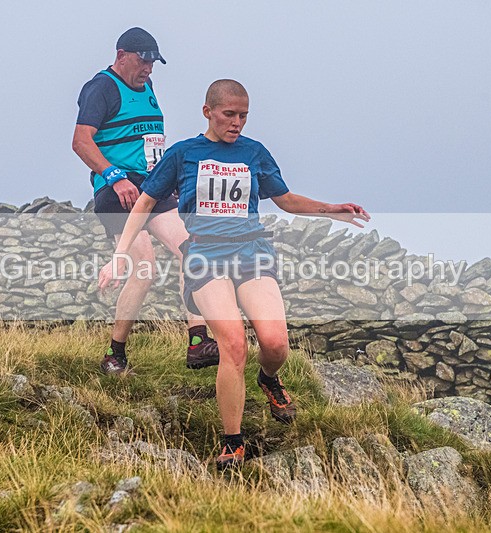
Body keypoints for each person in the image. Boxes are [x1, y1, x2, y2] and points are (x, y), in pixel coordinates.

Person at [98, 79, 370, 469]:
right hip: (205, 258)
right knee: (234, 345)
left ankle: (268, 379)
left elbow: (286, 199)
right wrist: (120, 254)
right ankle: (233, 442)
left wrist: (333, 209)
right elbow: (144, 203)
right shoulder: (183, 154)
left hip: (252, 253)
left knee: (275, 344)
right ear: (208, 111)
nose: (237, 122)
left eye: (243, 115)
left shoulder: (254, 153)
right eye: (229, 114)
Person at [72, 27, 219, 374]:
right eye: (143, 61)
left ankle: (197, 341)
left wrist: (172, 179)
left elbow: (150, 142)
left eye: (154, 63)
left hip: (152, 186)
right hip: (116, 190)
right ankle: (115, 354)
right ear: (121, 55)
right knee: (144, 266)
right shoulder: (101, 88)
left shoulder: (148, 87)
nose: (149, 69)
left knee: (193, 249)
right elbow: (81, 141)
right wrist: (114, 176)